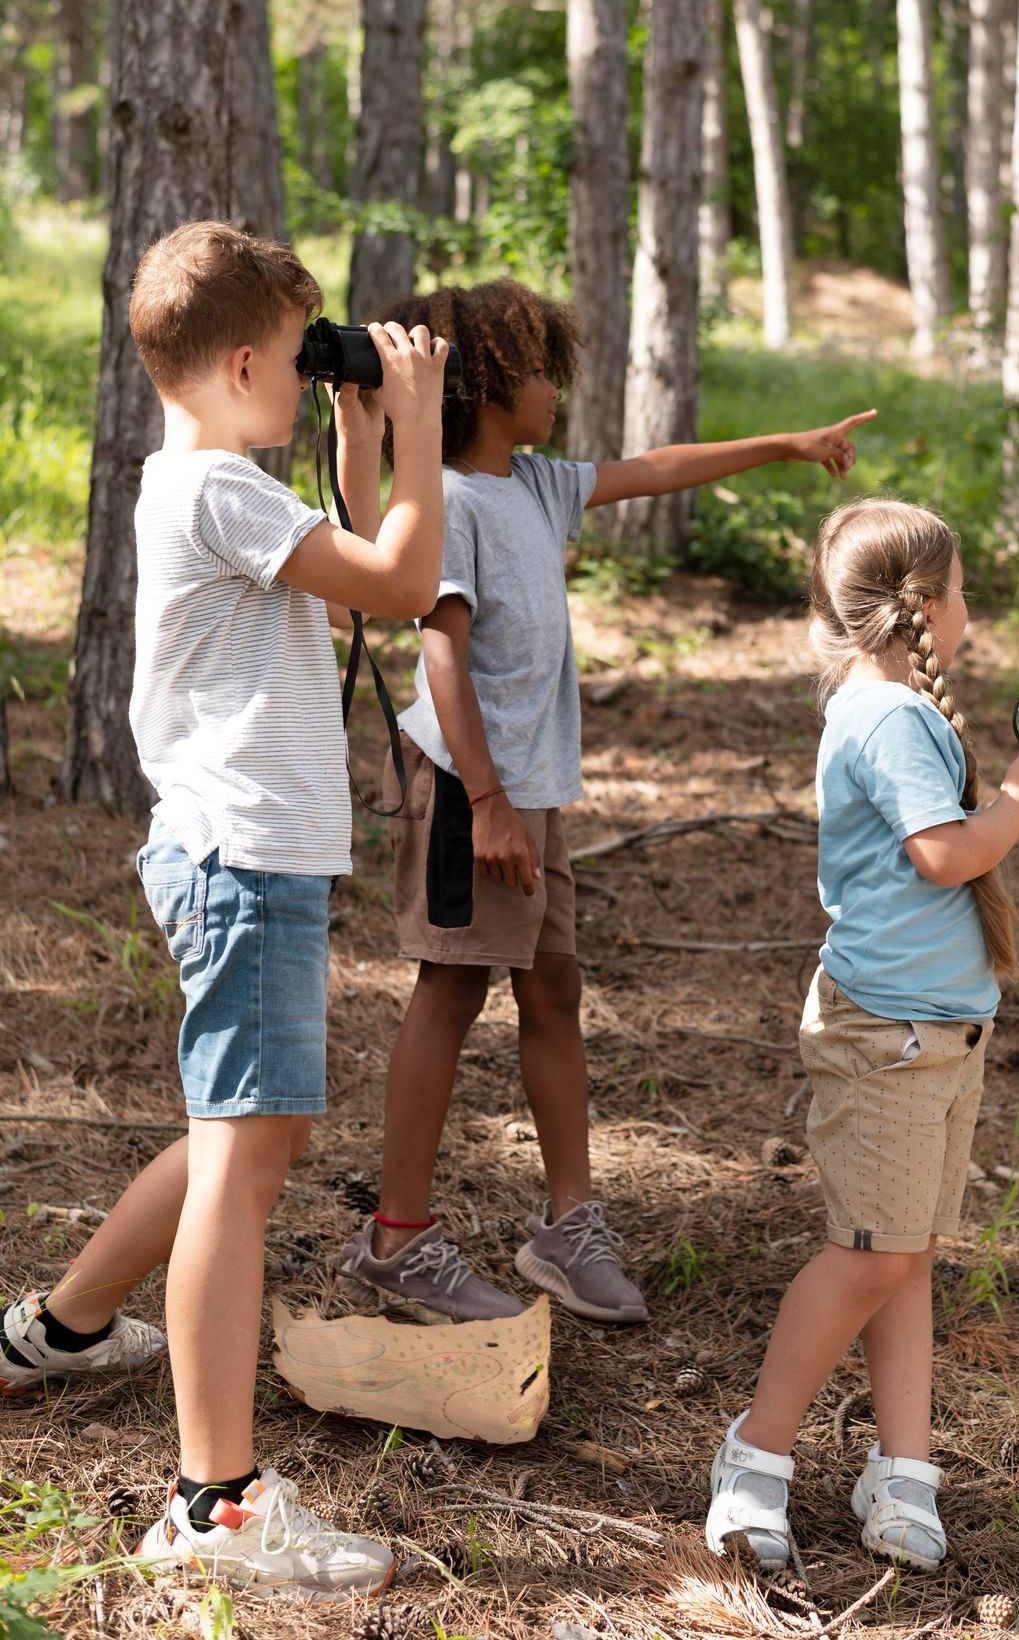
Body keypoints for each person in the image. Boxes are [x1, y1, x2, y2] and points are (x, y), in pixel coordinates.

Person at [0, 221, 448, 1599]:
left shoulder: (206, 476)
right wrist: (421, 429)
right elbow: (404, 581)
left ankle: (62, 1330)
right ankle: (218, 1503)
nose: (306, 377)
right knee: (247, 1162)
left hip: (244, 854)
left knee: (250, 1140)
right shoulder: (216, 489)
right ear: (249, 359)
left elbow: (354, 543)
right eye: (295, 359)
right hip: (243, 861)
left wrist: (361, 430)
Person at [337, 279, 875, 1325]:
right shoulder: (440, 499)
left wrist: (788, 445)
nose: (554, 387)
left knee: (553, 991)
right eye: (539, 369)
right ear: (487, 383)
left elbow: (656, 468)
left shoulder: (534, 486)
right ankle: (394, 1238)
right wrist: (485, 800)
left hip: (527, 792)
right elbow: (438, 655)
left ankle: (566, 1223)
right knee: (447, 993)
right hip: (466, 787)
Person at [704, 496, 1019, 1573]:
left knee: (902, 1254)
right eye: (960, 591)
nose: (969, 610)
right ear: (922, 607)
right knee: (867, 1257)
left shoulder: (884, 700)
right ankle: (753, 1454)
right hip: (889, 1037)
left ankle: (900, 1470)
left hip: (940, 1030)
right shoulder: (891, 716)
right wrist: (1018, 805)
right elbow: (941, 856)